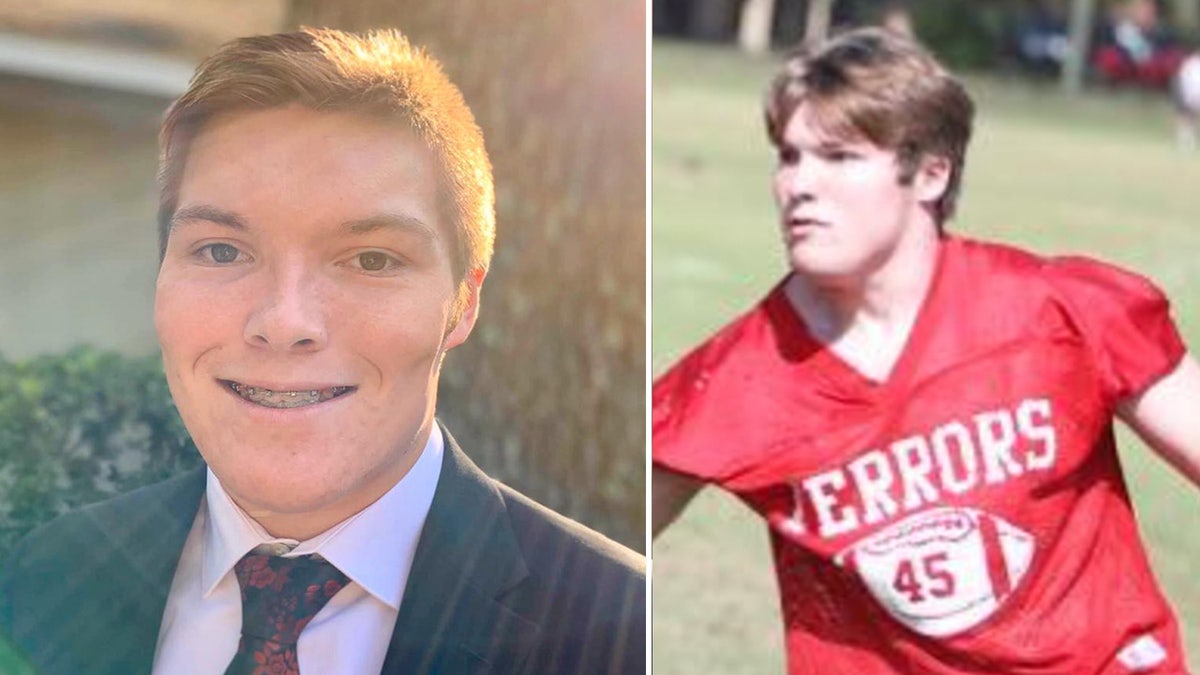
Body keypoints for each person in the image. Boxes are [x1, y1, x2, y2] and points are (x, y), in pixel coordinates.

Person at [0, 28, 644, 675]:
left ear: (463, 302)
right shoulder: (48, 578)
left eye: (370, 259)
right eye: (222, 250)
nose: (284, 322)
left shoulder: (622, 634)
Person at [653, 27, 1200, 674]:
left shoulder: (1061, 310)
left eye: (839, 157)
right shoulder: (740, 375)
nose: (800, 184)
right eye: (789, 156)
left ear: (931, 173)